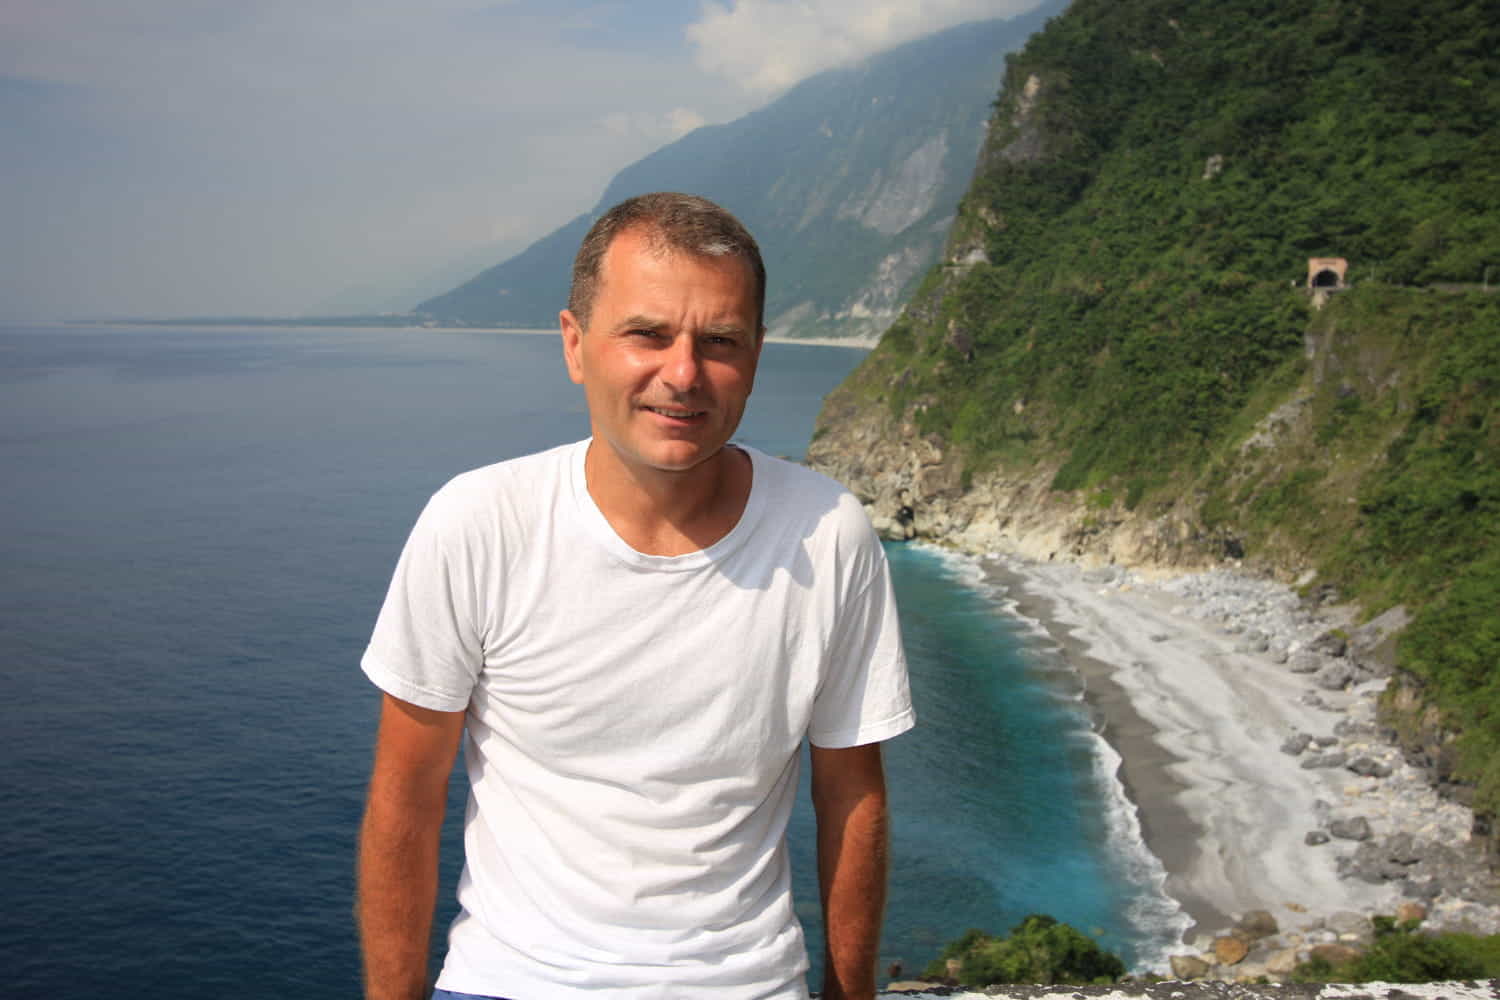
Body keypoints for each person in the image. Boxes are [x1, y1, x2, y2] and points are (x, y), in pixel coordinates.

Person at [357, 192, 914, 1000]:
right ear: (576, 344)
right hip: (513, 982)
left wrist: (849, 993)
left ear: (756, 355)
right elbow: (407, 795)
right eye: (647, 334)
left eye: (719, 341)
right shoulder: (479, 524)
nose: (683, 374)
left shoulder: (827, 532)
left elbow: (852, 791)